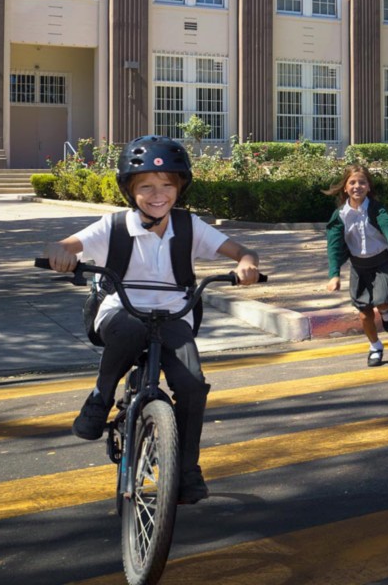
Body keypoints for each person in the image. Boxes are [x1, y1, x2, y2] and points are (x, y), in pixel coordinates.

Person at [43, 135, 260, 505]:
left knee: (192, 386)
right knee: (129, 329)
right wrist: (59, 254)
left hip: (174, 315)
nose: (158, 195)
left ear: (179, 188)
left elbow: (242, 251)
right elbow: (61, 245)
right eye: (146, 186)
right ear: (130, 191)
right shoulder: (113, 226)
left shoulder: (189, 226)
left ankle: (187, 469)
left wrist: (246, 264)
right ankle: (100, 397)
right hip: (122, 311)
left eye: (167, 186)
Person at [323, 164, 388, 367]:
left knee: (382, 301)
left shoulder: (376, 208)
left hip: (382, 263)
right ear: (345, 187)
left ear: (369, 187)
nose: (357, 186)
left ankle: (386, 312)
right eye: (352, 182)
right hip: (359, 267)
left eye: (362, 182)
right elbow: (334, 247)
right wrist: (334, 275)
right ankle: (375, 346)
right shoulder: (340, 215)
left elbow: (387, 227)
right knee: (364, 315)